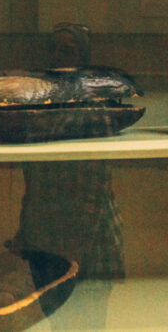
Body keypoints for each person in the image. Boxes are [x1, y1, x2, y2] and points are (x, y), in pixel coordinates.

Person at [11, 22, 126, 279]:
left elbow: (92, 192)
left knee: (86, 312)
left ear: (82, 59)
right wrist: (27, 233)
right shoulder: (43, 101)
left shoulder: (92, 105)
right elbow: (33, 181)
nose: (57, 56)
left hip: (89, 240)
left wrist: (70, 252)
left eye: (67, 51)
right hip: (47, 232)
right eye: (53, 49)